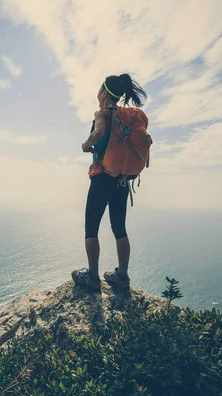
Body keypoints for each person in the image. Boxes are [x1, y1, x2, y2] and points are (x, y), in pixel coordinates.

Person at [72, 74, 148, 290]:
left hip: (102, 178)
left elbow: (99, 133)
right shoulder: (126, 117)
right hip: (122, 181)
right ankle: (122, 276)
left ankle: (93, 277)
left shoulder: (103, 113)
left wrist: (87, 144)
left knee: (91, 228)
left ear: (104, 93)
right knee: (119, 227)